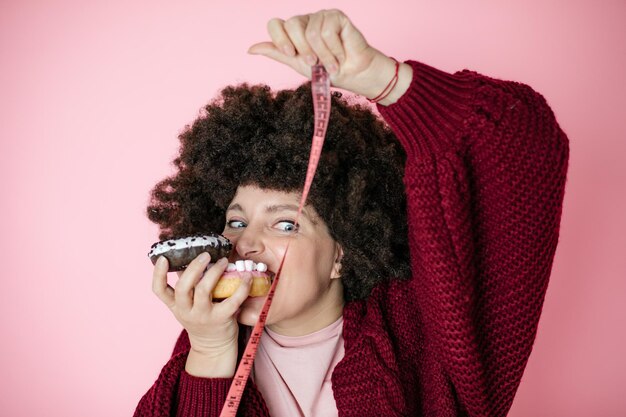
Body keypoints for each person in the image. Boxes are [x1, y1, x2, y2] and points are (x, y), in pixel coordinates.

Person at [134, 9, 569, 417]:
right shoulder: (206, 344)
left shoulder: (423, 338)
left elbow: (525, 142)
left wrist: (389, 82)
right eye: (236, 220)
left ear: (342, 251)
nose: (244, 243)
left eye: (286, 223)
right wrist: (209, 353)